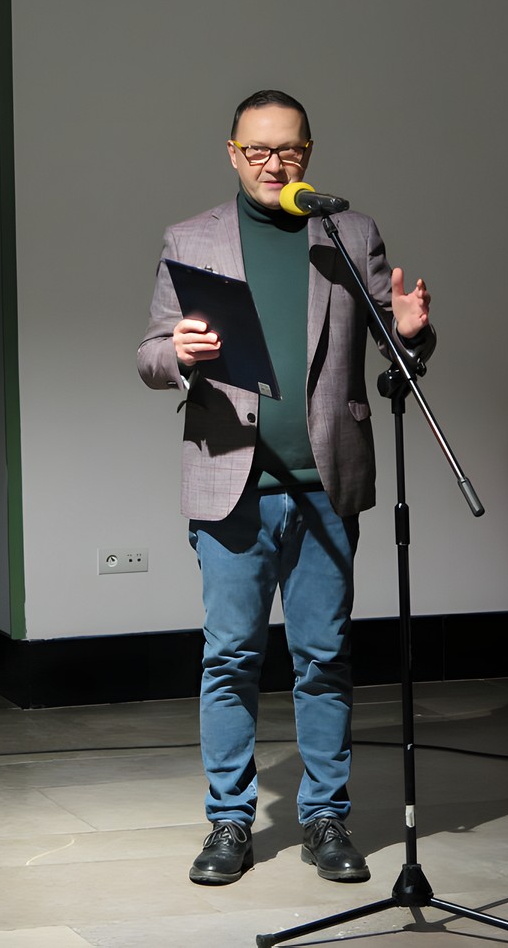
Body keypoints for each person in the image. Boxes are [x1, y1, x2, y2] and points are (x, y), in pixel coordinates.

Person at [136, 89, 434, 888]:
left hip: (325, 486)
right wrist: (180, 351)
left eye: (290, 149)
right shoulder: (191, 238)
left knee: (325, 657)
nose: (275, 163)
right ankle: (230, 821)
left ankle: (326, 816)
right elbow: (150, 354)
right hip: (233, 487)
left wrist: (412, 333)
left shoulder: (348, 233)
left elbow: (395, 346)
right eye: (258, 149)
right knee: (231, 658)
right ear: (232, 153)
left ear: (309, 152)